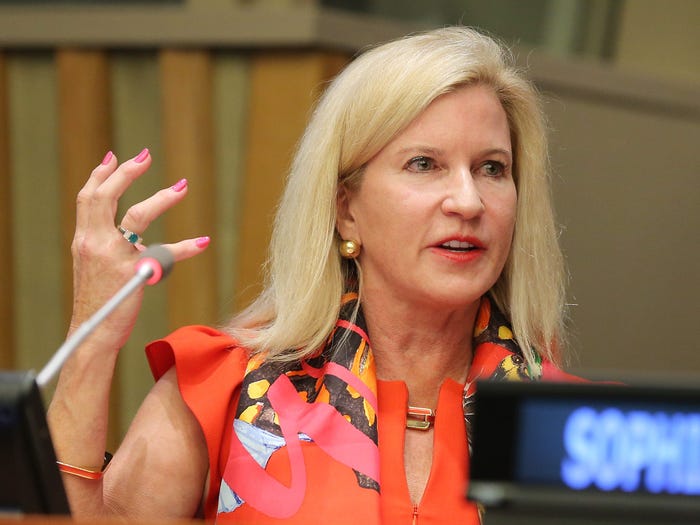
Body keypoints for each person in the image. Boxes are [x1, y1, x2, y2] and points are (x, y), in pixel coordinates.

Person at [47, 26, 584, 524]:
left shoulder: (582, 431)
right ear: (345, 207)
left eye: (492, 168)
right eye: (425, 164)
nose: (468, 201)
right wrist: (92, 338)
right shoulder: (222, 390)